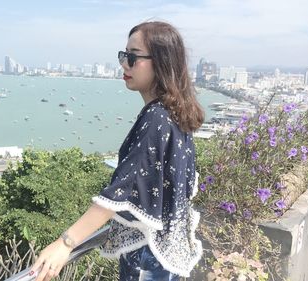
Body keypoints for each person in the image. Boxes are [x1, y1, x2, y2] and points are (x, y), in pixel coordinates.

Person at [32, 21, 204, 281]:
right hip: (166, 260)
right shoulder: (177, 114)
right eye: (124, 55)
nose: (124, 63)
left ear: (161, 61)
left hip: (148, 260)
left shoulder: (156, 119)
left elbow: (120, 193)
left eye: (133, 56)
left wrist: (65, 244)